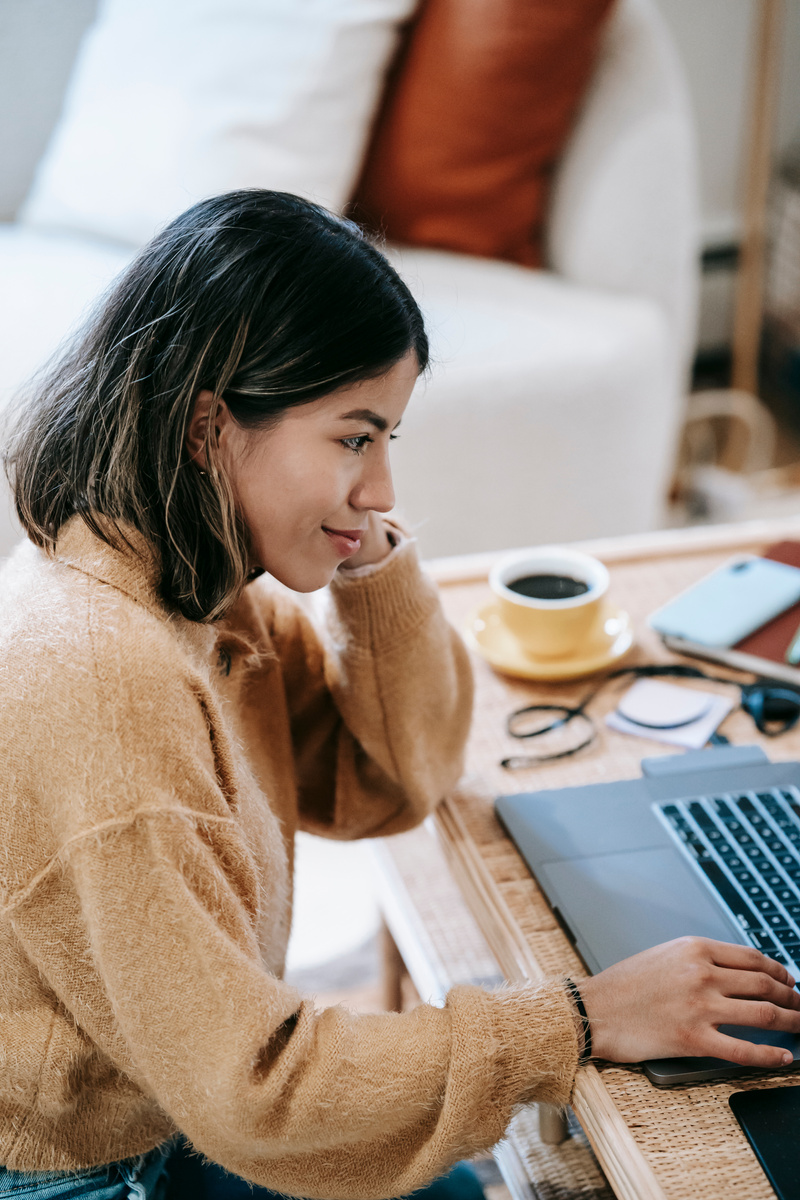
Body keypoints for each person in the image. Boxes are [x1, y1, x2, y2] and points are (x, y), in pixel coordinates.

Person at [0, 190, 798, 1200]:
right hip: (99, 1175)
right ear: (209, 424)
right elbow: (258, 1093)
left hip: (181, 1111)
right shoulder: (100, 684)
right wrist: (579, 1019)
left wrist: (368, 568)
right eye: (352, 437)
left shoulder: (195, 595)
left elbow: (391, 782)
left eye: (388, 443)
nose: (380, 488)